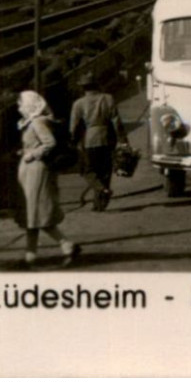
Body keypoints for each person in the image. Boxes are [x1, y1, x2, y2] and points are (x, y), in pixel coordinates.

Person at [16, 91, 80, 268]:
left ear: (30, 105)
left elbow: (49, 143)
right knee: (33, 214)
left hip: (36, 171)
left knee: (36, 213)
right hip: (30, 171)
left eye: (21, 104)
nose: (19, 107)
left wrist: (32, 154)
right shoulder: (32, 122)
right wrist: (25, 152)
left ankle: (65, 245)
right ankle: (32, 256)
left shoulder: (37, 122)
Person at [69, 76, 119, 212]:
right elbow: (116, 120)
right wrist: (123, 139)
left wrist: (73, 141)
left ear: (83, 88)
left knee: (87, 170)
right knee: (105, 171)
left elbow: (73, 126)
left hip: (89, 140)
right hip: (107, 137)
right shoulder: (108, 98)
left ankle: (101, 190)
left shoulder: (78, 103)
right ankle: (100, 204)